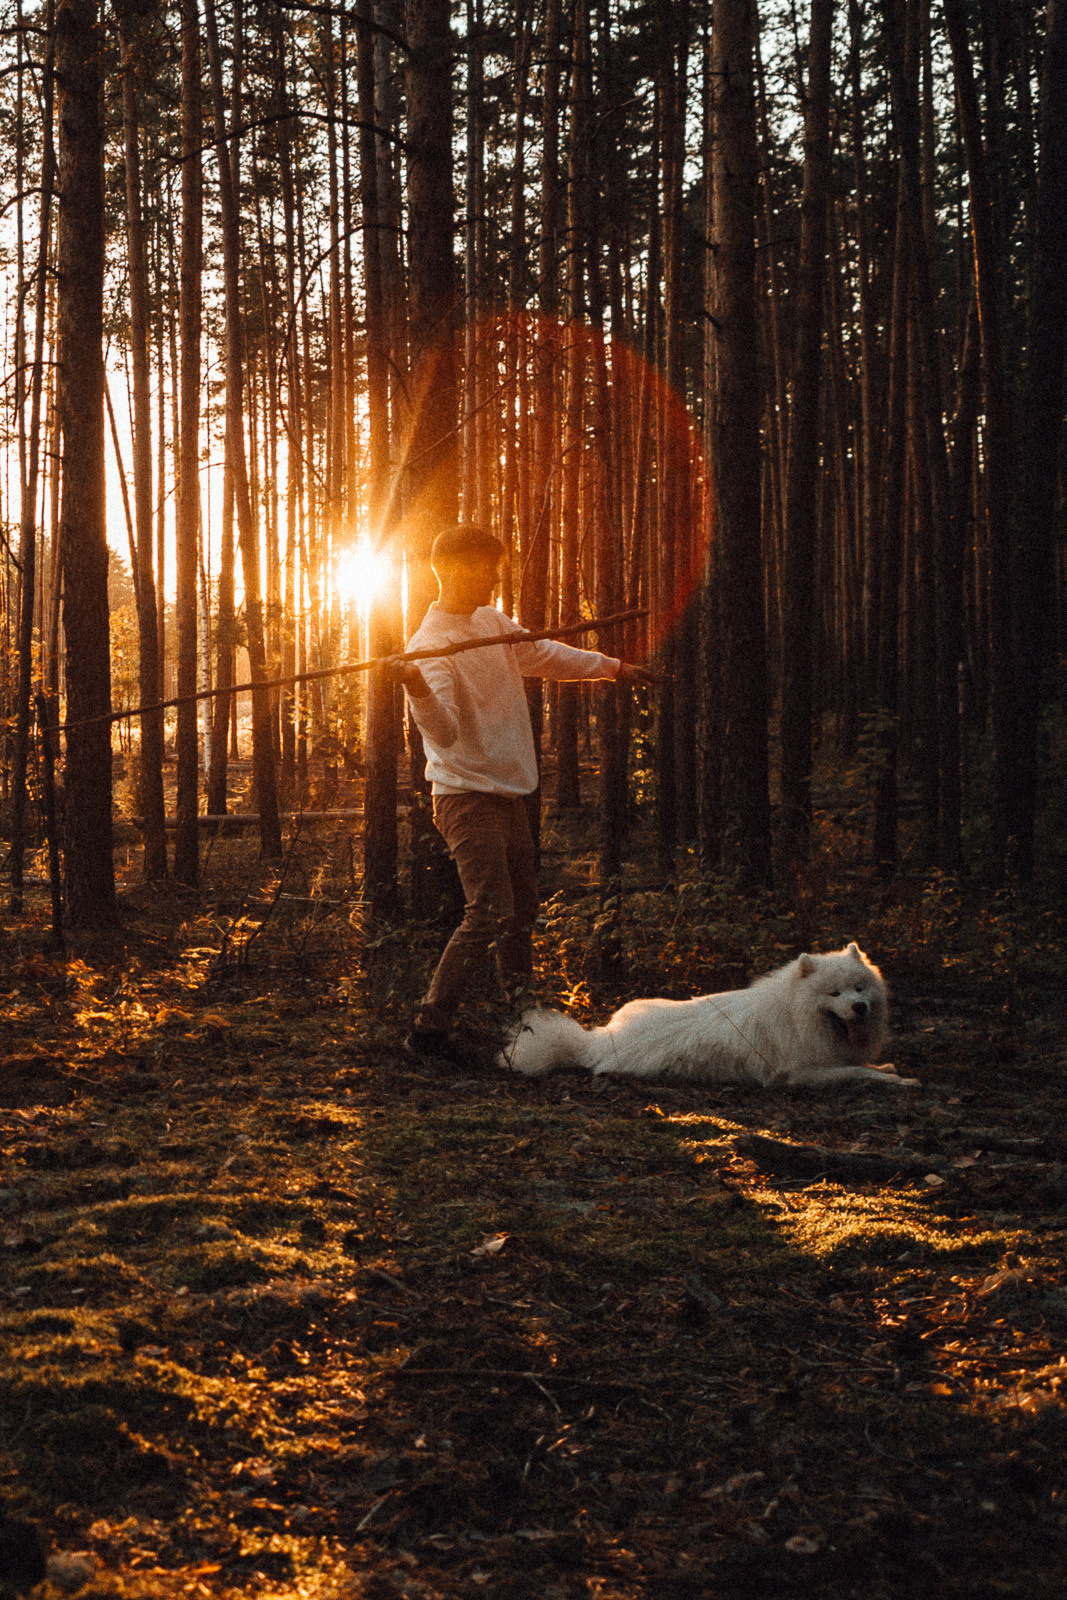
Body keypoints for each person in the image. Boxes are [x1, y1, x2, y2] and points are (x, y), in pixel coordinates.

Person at [389, 522, 653, 1065]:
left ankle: (521, 1021)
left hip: (510, 793)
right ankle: (427, 1031)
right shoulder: (430, 645)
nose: (494, 576)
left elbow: (547, 656)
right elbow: (443, 733)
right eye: (487, 567)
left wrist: (614, 670)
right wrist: (415, 686)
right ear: (456, 569)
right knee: (489, 909)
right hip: (464, 795)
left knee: (523, 910)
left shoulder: (490, 623)